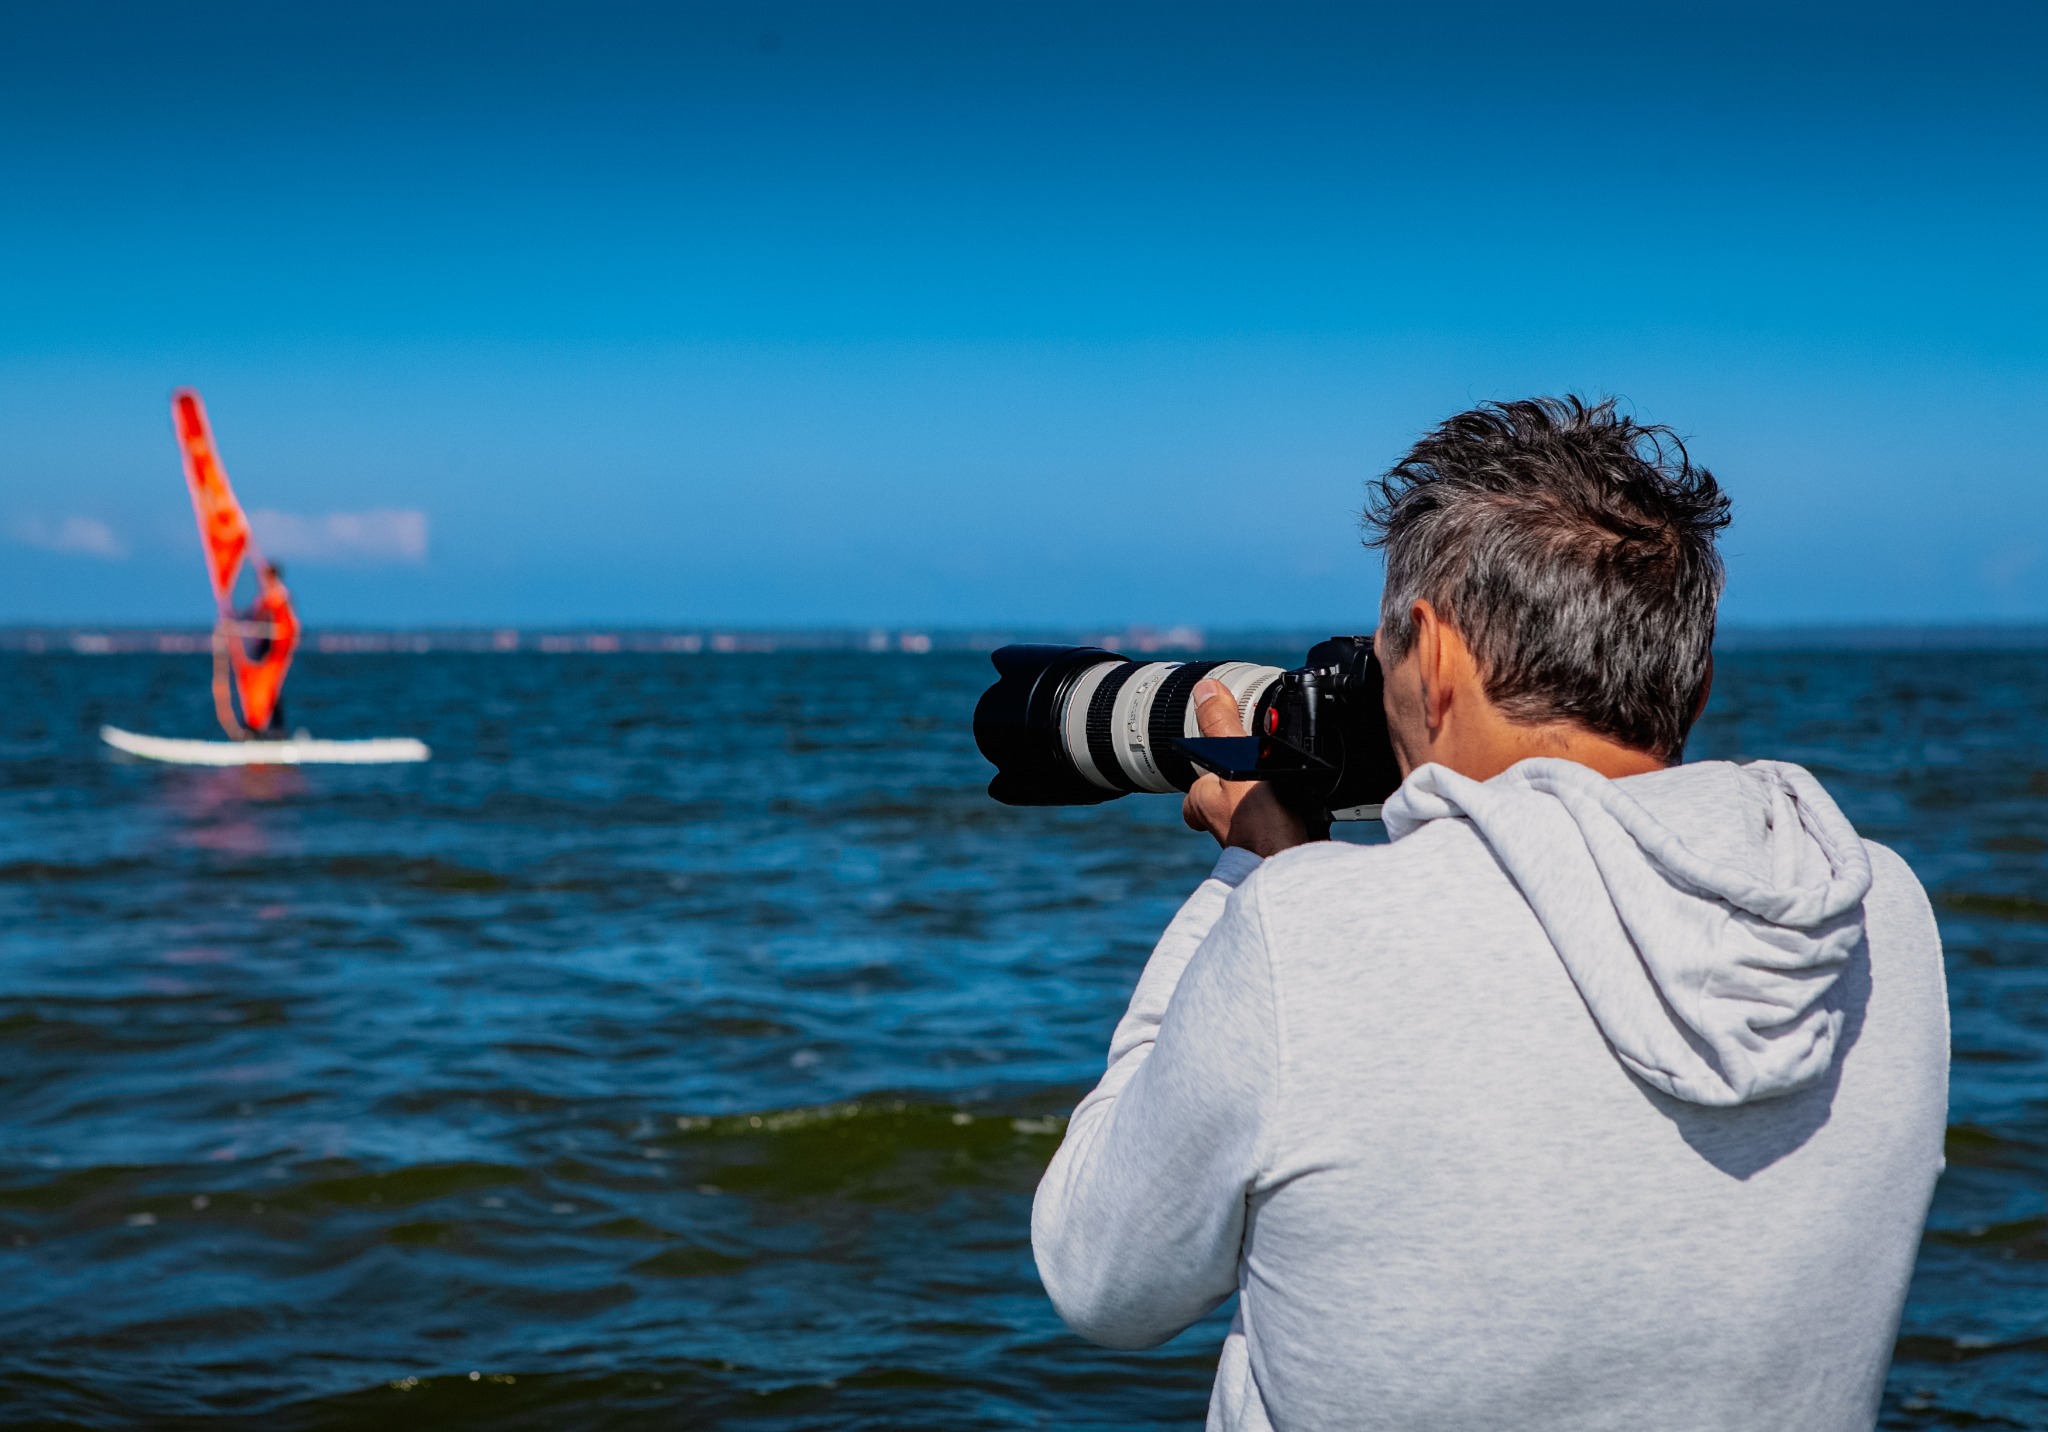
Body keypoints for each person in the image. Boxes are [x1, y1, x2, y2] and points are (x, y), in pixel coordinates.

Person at [1031, 397, 1947, 1431]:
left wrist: (1254, 873)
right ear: (1688, 691)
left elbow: (1096, 1275)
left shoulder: (1306, 937)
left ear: (1433, 656)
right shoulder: (1876, 915)